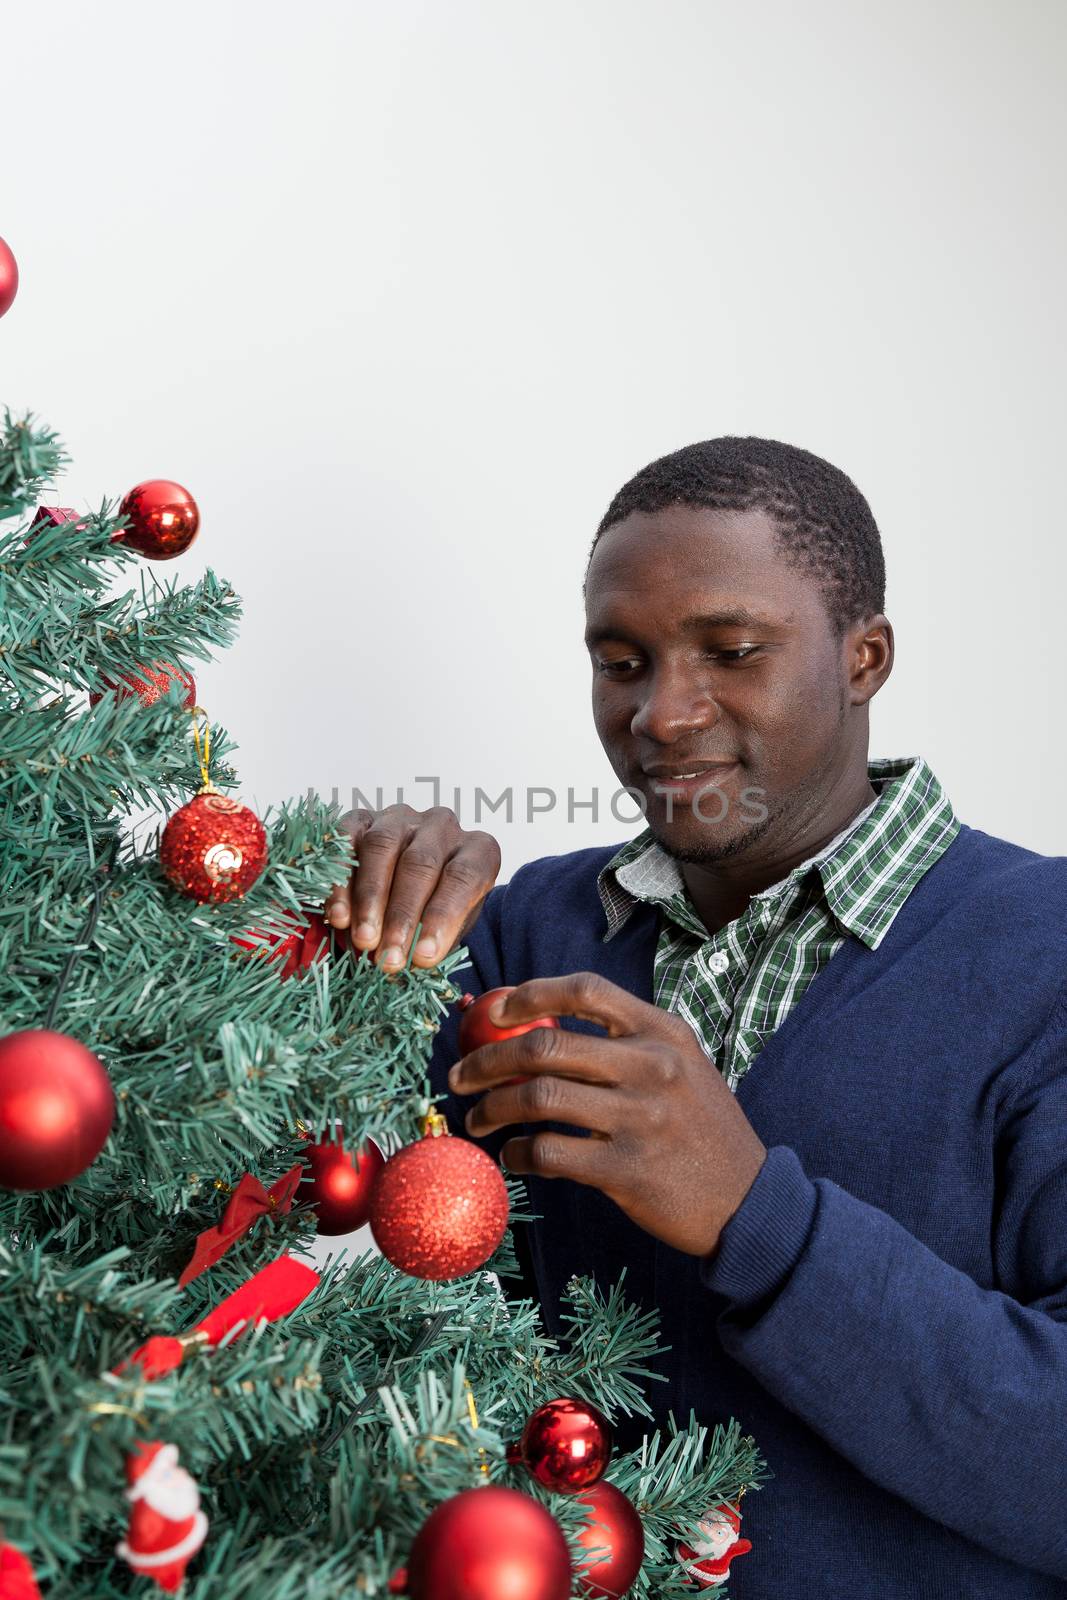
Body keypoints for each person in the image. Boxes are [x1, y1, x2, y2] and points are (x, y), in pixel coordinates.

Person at [324, 437, 1067, 1597]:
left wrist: (750, 1212)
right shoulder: (526, 934)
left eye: (728, 652)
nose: (661, 716)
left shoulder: (1045, 956)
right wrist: (349, 904)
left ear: (863, 656)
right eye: (620, 661)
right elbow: (262, 1120)